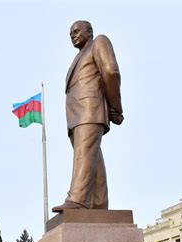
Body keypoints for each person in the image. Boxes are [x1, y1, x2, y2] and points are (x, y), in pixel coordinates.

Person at [52, 20, 124, 212]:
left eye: (76, 31)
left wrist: (115, 107)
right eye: (70, 34)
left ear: (89, 31)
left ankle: (77, 199)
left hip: (89, 110)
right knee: (93, 160)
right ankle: (98, 204)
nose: (73, 36)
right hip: (77, 116)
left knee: (84, 156)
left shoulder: (99, 42)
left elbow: (110, 71)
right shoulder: (79, 56)